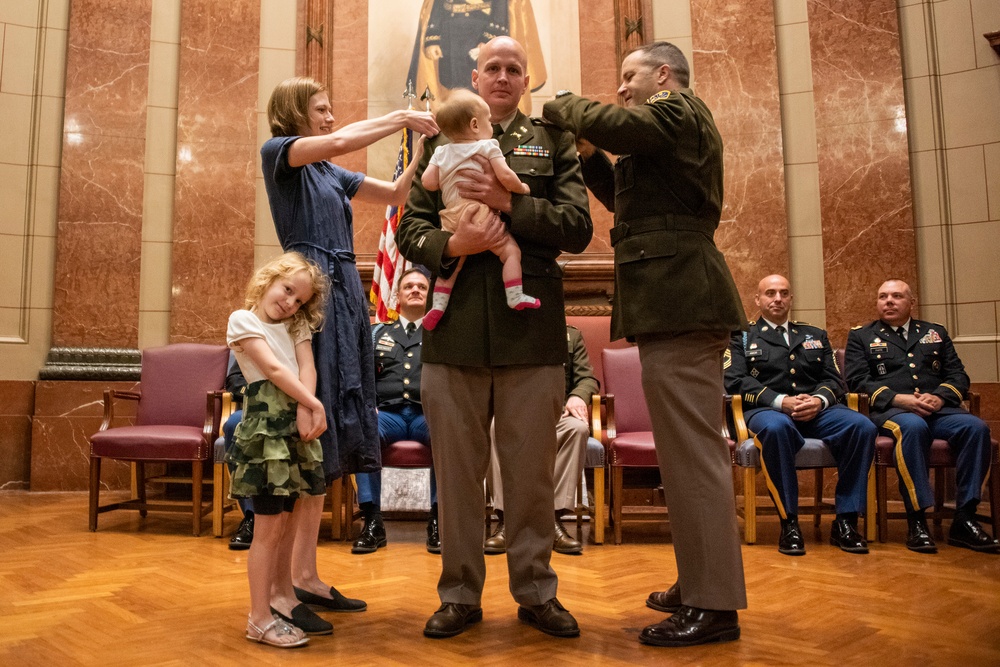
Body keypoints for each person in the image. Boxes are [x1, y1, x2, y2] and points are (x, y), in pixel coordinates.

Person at [543, 41, 748, 647]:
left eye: (628, 77)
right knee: (683, 462)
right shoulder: (663, 136)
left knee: (694, 462)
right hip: (670, 304)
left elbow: (615, 123)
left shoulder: (680, 108)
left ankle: (714, 606)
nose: (622, 88)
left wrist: (566, 107)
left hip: (683, 302)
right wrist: (587, 156)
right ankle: (698, 583)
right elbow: (627, 200)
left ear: (664, 75)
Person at [397, 36, 592, 639]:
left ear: (525, 80)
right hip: (451, 334)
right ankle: (458, 593)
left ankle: (535, 592)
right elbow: (410, 226)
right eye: (493, 69)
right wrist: (452, 245)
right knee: (457, 475)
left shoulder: (552, 142)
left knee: (531, 475)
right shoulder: (437, 141)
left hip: (530, 332)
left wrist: (509, 205)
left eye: (514, 69)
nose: (503, 77)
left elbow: (577, 227)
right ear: (475, 77)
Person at [261, 77, 438, 616]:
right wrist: (402, 118)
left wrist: (423, 153)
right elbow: (339, 142)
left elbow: (394, 195)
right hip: (308, 301)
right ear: (294, 113)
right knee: (307, 436)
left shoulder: (330, 173)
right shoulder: (281, 154)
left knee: (329, 443)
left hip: (344, 301)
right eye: (321, 108)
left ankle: (307, 575)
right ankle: (279, 590)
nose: (330, 116)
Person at [724, 275, 877, 556]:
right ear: (758, 300)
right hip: (767, 411)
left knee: (862, 426)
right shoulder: (742, 336)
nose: (777, 298)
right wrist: (781, 401)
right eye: (770, 293)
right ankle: (789, 522)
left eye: (784, 293)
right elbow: (734, 381)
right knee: (777, 429)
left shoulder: (814, 334)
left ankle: (846, 520)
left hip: (817, 411)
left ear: (791, 299)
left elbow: (834, 380)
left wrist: (818, 400)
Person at [845, 279, 999, 554]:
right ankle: (917, 519)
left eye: (896, 296)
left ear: (911, 302)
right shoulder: (862, 336)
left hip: (938, 409)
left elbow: (958, 375)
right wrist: (897, 398)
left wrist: (940, 396)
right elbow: (857, 380)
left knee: (976, 428)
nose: (888, 301)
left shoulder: (934, 333)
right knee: (912, 427)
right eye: (882, 296)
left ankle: (965, 518)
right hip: (892, 411)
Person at [226, 252, 330, 648]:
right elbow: (273, 370)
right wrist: (315, 404)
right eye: (287, 290)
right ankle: (258, 616)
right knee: (267, 530)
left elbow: (307, 368)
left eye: (300, 300)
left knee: (287, 522)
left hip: (294, 431)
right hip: (267, 435)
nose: (290, 303)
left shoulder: (296, 324)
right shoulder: (243, 320)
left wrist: (306, 405)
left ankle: (283, 598)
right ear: (269, 280)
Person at [421, 88, 538, 329]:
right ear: (475, 125)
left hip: (451, 217)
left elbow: (428, 183)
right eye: (487, 121)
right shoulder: (487, 147)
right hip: (481, 214)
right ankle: (515, 295)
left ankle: (438, 305)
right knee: (510, 252)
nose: (491, 127)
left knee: (453, 263)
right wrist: (522, 190)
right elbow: (505, 176)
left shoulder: (441, 151)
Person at [486, 324, 597, 555]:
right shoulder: (507, 330)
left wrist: (577, 396)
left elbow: (587, 378)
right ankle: (507, 520)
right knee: (493, 427)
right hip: (513, 412)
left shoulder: (571, 335)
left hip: (557, 413)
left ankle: (551, 521)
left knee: (577, 430)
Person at [352, 267, 441, 554]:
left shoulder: (441, 335)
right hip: (386, 415)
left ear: (429, 296)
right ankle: (372, 521)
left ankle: (439, 519)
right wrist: (368, 408)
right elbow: (361, 375)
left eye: (422, 287)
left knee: (450, 434)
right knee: (364, 432)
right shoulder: (377, 333)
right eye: (409, 287)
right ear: (398, 296)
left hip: (426, 415)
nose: (415, 290)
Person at [407, 0, 546, 115]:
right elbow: (437, 6)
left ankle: (482, 123)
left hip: (478, 32)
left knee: (481, 87)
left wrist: (489, 38)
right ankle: (455, 124)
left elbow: (500, 8)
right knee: (451, 84)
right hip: (449, 37)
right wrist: (433, 38)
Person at [223, 354, 254, 550]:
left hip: (292, 403)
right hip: (254, 404)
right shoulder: (254, 332)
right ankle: (251, 516)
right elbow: (234, 380)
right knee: (233, 425)